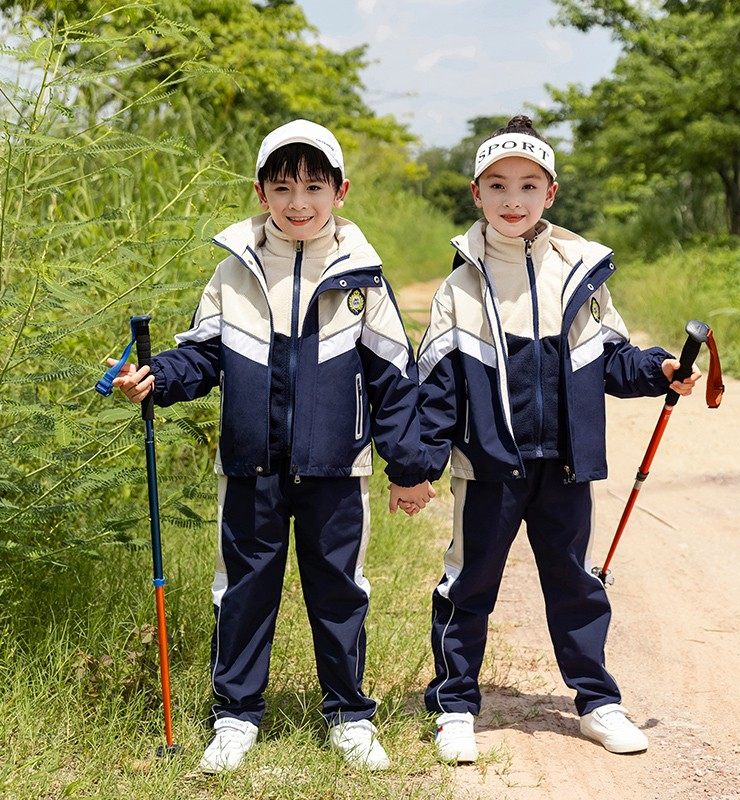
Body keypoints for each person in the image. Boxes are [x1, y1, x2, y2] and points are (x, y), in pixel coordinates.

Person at [109, 119, 434, 774]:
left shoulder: (362, 278)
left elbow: (394, 379)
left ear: (340, 192)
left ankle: (348, 715)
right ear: (261, 192)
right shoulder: (234, 272)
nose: (298, 202)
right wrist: (156, 378)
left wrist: (410, 465)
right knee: (243, 591)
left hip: (337, 472)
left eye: (314, 186)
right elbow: (199, 358)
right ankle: (234, 716)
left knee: (341, 591)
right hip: (250, 471)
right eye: (283, 186)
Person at [397, 115, 700, 761]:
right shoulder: (461, 286)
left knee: (575, 582)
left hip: (565, 464)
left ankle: (596, 700)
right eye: (498, 186)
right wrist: (418, 465)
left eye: (529, 186)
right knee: (469, 581)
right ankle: (454, 702)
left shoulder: (581, 274)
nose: (514, 200)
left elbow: (613, 359)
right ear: (476, 194)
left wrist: (661, 370)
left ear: (551, 194)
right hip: (489, 468)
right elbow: (440, 386)